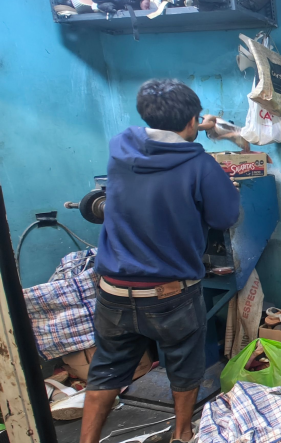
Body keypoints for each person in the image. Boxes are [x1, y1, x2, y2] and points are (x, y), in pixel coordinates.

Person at [81, 79, 240, 443]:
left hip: (113, 291)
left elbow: (158, 135)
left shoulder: (121, 146)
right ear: (191, 121)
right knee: (185, 367)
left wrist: (194, 124)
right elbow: (224, 218)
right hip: (170, 295)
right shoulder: (199, 165)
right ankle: (182, 434)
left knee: (106, 371)